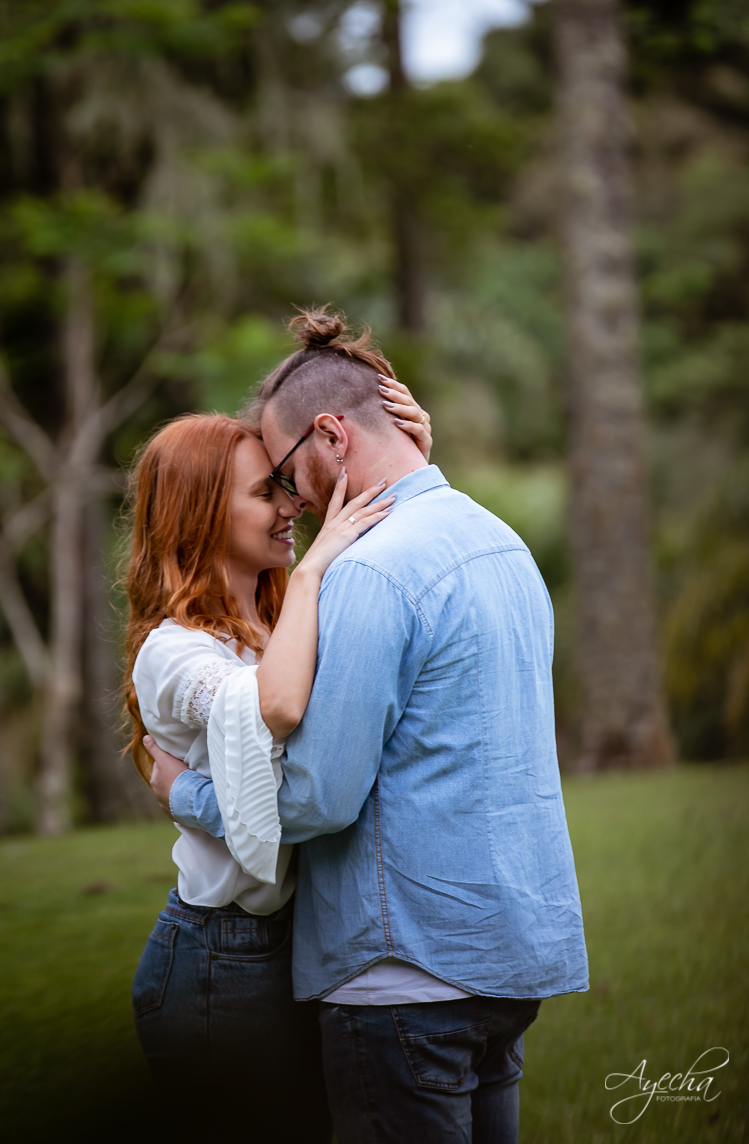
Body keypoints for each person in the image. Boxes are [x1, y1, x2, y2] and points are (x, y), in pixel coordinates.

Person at [149, 308, 589, 1143]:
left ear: (330, 436)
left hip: (403, 974)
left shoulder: (370, 573)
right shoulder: (502, 544)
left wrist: (188, 795)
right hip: (509, 959)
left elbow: (317, 799)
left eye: (287, 474)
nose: (295, 500)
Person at [124, 364, 431, 1143]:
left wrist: (409, 459)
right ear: (200, 514)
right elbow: (279, 707)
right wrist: (315, 567)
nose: (293, 506)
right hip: (220, 957)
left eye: (285, 488)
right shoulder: (173, 651)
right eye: (267, 492)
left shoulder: (278, 621)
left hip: (300, 942)